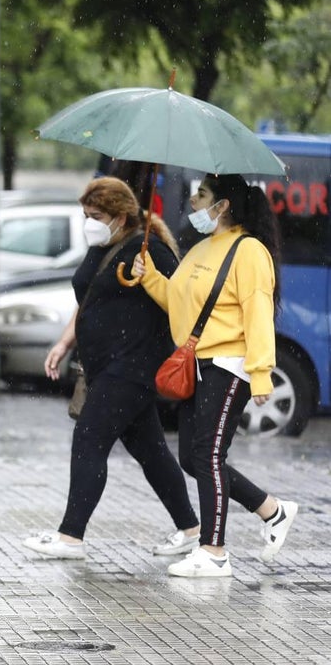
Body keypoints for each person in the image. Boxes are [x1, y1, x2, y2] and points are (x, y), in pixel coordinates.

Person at [23, 177, 201, 560]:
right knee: (151, 451)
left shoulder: (150, 249)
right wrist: (64, 341)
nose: (89, 221)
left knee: (89, 439)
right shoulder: (101, 244)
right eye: (85, 214)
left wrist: (148, 273)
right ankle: (191, 529)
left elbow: (181, 303)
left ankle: (71, 537)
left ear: (121, 216)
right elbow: (89, 299)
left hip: (133, 366)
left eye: (97, 215)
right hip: (104, 367)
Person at [132, 173, 298, 578]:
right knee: (192, 456)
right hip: (198, 364)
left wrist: (261, 374)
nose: (192, 200)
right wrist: (148, 274)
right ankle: (273, 511)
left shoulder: (250, 251)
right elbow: (176, 300)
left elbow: (258, 313)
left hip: (230, 364)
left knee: (207, 456)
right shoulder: (202, 248)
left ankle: (215, 551)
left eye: (202, 194)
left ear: (222, 206)